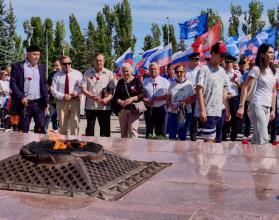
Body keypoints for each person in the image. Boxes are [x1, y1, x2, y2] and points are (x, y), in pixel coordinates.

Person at [237, 43, 277, 145]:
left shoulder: (274, 71)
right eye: (269, 52)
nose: (272, 54)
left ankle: (253, 159)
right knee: (263, 138)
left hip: (267, 108)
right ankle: (263, 160)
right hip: (256, 105)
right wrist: (241, 106)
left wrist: (272, 109)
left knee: (257, 138)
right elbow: (245, 87)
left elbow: (273, 92)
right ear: (263, 55)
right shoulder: (256, 69)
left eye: (273, 52)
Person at [195, 42, 231, 142]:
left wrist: (227, 109)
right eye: (221, 56)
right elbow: (199, 89)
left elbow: (224, 91)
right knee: (208, 142)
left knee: (218, 142)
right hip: (208, 112)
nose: (223, 59)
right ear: (213, 54)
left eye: (224, 57)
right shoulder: (204, 69)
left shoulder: (222, 71)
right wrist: (202, 110)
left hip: (220, 111)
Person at [10, 45, 48, 133]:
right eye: (34, 54)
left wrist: (46, 101)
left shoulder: (41, 67)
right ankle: (23, 146)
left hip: (39, 104)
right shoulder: (19, 66)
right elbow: (13, 84)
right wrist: (21, 96)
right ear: (28, 54)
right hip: (25, 104)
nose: (37, 57)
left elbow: (44, 85)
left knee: (41, 128)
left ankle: (39, 146)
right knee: (23, 130)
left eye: (38, 54)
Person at [81, 53, 115, 137]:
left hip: (104, 107)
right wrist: (91, 95)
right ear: (94, 61)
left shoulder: (109, 73)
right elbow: (83, 88)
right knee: (89, 131)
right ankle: (90, 149)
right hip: (90, 106)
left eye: (100, 60)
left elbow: (112, 90)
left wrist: (107, 99)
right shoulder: (87, 73)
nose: (98, 62)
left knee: (105, 131)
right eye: (97, 60)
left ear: (104, 62)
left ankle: (105, 148)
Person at [51, 55, 82, 135]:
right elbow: (53, 90)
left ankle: (75, 144)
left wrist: (76, 92)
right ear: (61, 64)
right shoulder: (56, 75)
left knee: (75, 125)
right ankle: (64, 144)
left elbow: (82, 87)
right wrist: (63, 96)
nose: (67, 65)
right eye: (65, 64)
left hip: (75, 101)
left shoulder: (77, 74)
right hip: (62, 102)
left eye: (69, 63)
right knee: (62, 126)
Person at [113, 63, 144, 138]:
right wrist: (119, 101)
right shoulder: (120, 82)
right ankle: (124, 149)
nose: (125, 73)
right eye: (123, 71)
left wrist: (132, 99)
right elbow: (116, 96)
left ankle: (133, 148)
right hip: (122, 110)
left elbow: (142, 94)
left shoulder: (137, 81)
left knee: (132, 130)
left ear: (131, 71)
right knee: (123, 131)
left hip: (134, 109)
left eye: (127, 71)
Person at [167, 64, 195, 140]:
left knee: (182, 135)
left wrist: (185, 102)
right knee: (172, 135)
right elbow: (168, 99)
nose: (179, 74)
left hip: (185, 112)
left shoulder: (189, 84)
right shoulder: (172, 84)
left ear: (184, 72)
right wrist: (171, 105)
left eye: (181, 72)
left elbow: (193, 98)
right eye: (177, 72)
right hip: (173, 112)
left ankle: (181, 151)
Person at [143, 62, 170, 139]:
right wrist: (146, 100)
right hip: (148, 109)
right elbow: (142, 95)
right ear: (149, 70)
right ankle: (148, 150)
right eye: (151, 69)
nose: (153, 70)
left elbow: (169, 96)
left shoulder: (165, 81)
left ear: (159, 70)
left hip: (161, 109)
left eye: (155, 69)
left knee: (160, 131)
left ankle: (160, 150)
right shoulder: (145, 82)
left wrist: (157, 98)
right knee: (149, 131)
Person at [223, 55, 242, 141]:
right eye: (226, 62)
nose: (227, 64)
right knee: (224, 115)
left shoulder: (237, 73)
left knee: (234, 117)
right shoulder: (222, 72)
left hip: (234, 96)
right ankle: (224, 133)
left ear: (232, 63)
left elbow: (242, 85)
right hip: (224, 97)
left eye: (229, 63)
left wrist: (236, 81)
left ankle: (233, 135)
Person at [186, 52, 200, 141]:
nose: (197, 62)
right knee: (187, 115)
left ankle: (193, 134)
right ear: (190, 61)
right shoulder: (185, 70)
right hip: (186, 96)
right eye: (195, 60)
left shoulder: (200, 70)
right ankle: (183, 132)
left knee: (195, 116)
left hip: (197, 96)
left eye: (197, 60)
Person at [46, 60, 62, 131]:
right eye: (55, 65)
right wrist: (48, 88)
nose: (56, 67)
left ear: (61, 65)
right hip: (53, 98)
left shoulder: (64, 74)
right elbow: (48, 84)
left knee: (61, 115)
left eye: (58, 65)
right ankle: (55, 128)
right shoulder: (52, 74)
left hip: (61, 99)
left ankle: (61, 128)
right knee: (53, 115)